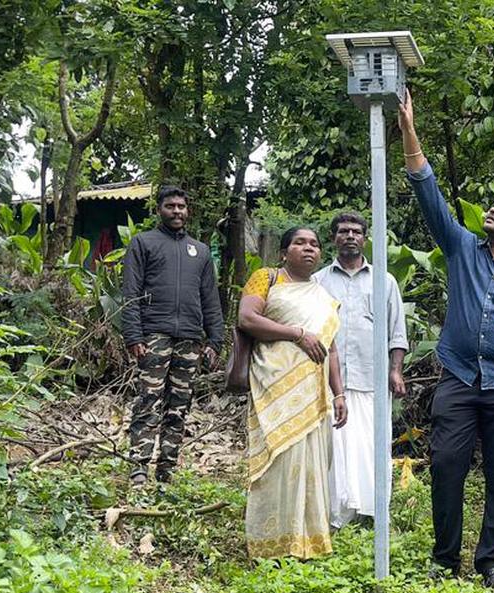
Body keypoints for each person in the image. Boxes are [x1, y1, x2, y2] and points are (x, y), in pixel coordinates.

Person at [397, 90, 494, 591]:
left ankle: (492, 562)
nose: (492, 209)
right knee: (445, 465)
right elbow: (427, 191)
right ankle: (445, 558)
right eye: (492, 205)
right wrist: (407, 127)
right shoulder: (463, 247)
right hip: (459, 379)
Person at [236, 227, 348, 559]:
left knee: (311, 465)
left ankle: (307, 542)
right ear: (284, 252)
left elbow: (332, 349)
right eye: (300, 243)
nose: (309, 248)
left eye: (314, 244)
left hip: (313, 399)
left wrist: (339, 394)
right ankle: (269, 544)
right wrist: (297, 333)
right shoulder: (266, 278)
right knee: (277, 463)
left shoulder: (323, 297)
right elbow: (246, 318)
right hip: (274, 388)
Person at [313, 211, 410, 529]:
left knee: (371, 444)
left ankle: (372, 509)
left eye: (356, 231)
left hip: (372, 378)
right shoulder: (319, 281)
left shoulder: (385, 280)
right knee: (336, 447)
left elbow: (397, 331)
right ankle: (336, 512)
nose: (350, 236)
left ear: (366, 238)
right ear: (334, 238)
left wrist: (395, 370)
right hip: (330, 381)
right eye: (343, 231)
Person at [121, 186, 224, 486]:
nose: (177, 211)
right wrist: (133, 335)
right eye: (170, 206)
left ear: (187, 210)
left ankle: (166, 470)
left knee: (179, 405)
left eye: (181, 206)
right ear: (159, 210)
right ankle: (139, 467)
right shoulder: (143, 243)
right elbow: (130, 292)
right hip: (153, 334)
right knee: (148, 401)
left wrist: (214, 340)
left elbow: (210, 299)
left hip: (190, 338)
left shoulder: (201, 251)